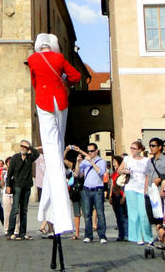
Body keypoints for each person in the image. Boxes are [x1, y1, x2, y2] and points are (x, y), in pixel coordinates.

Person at [26, 33, 81, 239]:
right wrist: (63, 78)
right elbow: (75, 76)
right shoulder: (59, 59)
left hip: (43, 101)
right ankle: (54, 214)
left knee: (51, 152)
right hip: (60, 101)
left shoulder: (32, 59)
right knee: (56, 149)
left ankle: (51, 212)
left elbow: (34, 81)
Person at [119, 140, 152, 245]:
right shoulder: (127, 159)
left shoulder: (146, 161)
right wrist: (124, 171)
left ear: (140, 150)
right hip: (130, 188)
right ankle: (137, 236)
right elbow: (119, 170)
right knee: (134, 214)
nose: (132, 150)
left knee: (144, 214)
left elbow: (148, 175)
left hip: (142, 188)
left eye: (134, 148)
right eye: (131, 148)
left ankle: (148, 236)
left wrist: (146, 189)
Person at [6, 140, 39, 240]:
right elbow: (10, 173)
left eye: (25, 147)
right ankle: (10, 232)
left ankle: (22, 232)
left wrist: (30, 147)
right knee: (15, 208)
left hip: (27, 186)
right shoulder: (15, 158)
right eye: (22, 146)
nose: (23, 148)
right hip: (17, 186)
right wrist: (8, 186)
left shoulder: (30, 157)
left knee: (24, 210)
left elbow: (37, 154)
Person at [77, 143, 108, 244]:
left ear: (96, 151)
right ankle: (88, 235)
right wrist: (78, 163)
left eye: (91, 151)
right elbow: (78, 174)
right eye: (88, 151)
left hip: (98, 189)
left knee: (100, 213)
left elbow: (101, 172)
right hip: (86, 189)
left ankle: (102, 235)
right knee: (87, 214)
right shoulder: (85, 162)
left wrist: (92, 163)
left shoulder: (101, 161)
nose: (90, 153)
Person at [108, 154, 128, 242]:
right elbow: (112, 183)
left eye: (115, 162)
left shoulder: (123, 172)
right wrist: (110, 195)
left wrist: (124, 196)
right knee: (118, 217)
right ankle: (121, 235)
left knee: (124, 216)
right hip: (115, 195)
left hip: (121, 194)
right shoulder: (114, 172)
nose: (113, 164)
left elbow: (126, 185)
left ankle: (126, 234)